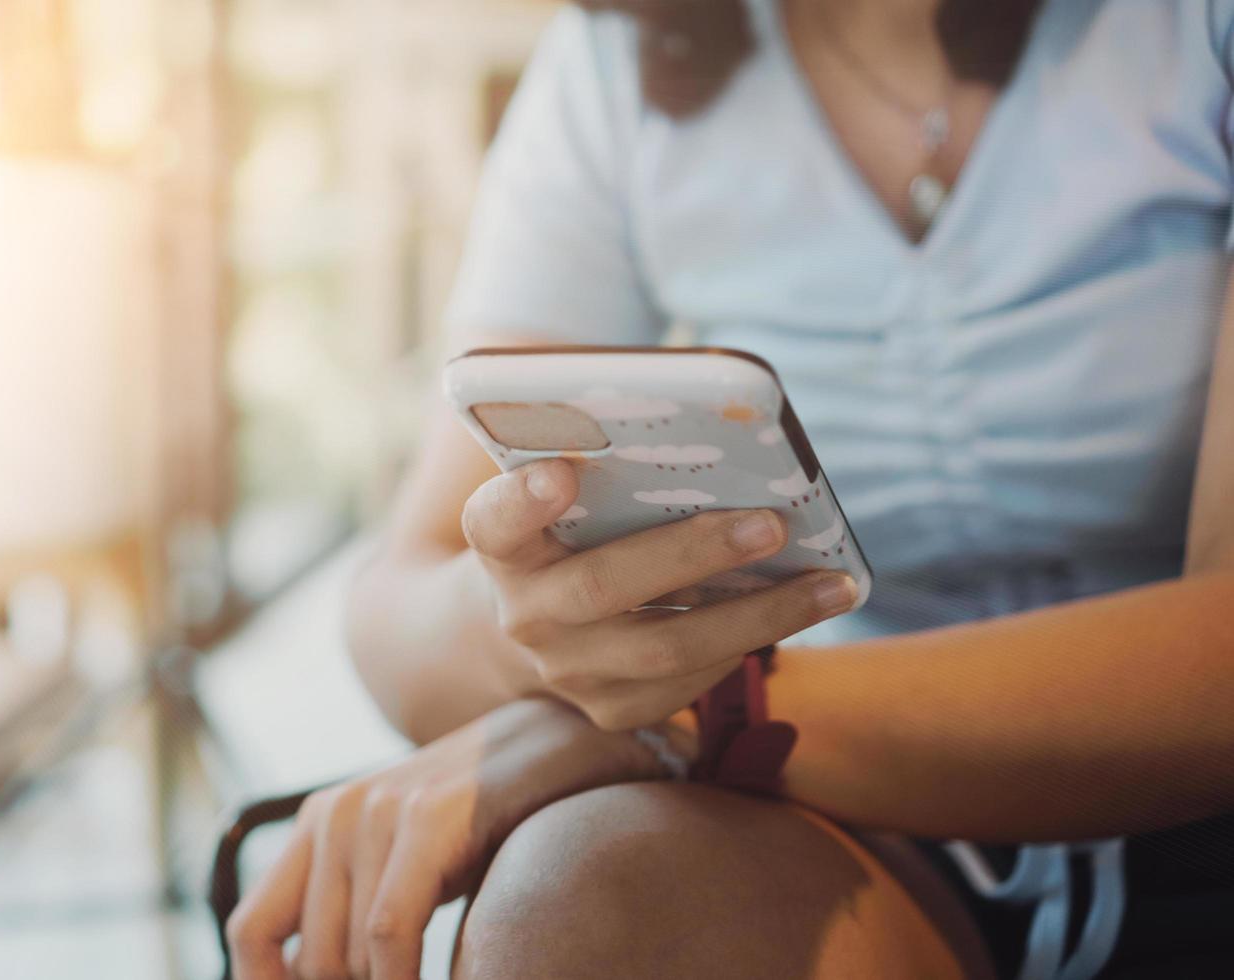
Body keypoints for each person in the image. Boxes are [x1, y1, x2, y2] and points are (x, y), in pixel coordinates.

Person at [227, 0, 1234, 976]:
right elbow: (398, 603)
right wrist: (576, 650)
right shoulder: (613, 73)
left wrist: (686, 724)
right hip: (881, 841)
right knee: (580, 894)